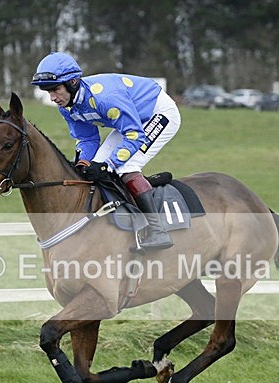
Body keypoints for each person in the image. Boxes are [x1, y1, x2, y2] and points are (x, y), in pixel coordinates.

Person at [31, 52, 180, 251]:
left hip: (157, 113)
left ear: (73, 82)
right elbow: (87, 139)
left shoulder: (105, 98)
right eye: (47, 91)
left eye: (55, 90)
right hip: (130, 121)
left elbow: (135, 135)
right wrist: (83, 163)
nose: (52, 98)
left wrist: (108, 165)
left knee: (125, 165)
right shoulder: (66, 107)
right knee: (94, 169)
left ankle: (157, 230)